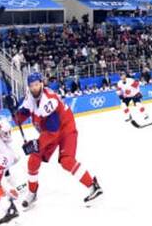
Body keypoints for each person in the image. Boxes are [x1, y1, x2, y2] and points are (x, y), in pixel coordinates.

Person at [8, 71, 102, 208]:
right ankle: (32, 192)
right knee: (33, 159)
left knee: (67, 161)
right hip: (50, 131)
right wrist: (13, 112)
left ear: (41, 83)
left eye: (36, 84)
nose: (34, 87)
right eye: (31, 85)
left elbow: (53, 131)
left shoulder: (49, 100)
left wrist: (37, 144)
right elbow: (21, 116)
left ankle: (93, 186)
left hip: (65, 129)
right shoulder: (30, 97)